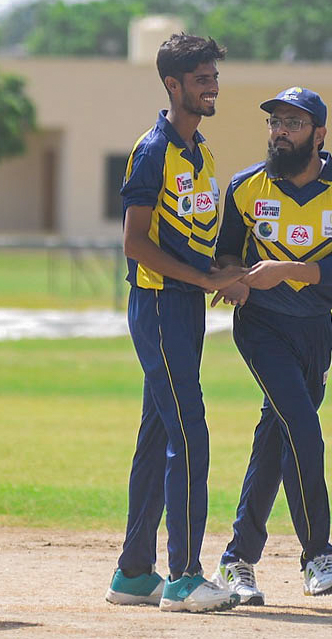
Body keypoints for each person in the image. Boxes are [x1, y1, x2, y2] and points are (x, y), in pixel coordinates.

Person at [208, 87, 332, 605]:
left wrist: (287, 270)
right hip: (262, 326)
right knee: (303, 430)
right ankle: (318, 556)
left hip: (315, 329)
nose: (280, 131)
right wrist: (233, 278)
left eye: (293, 124)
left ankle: (237, 559)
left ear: (319, 134)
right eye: (275, 122)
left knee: (276, 439)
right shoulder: (245, 186)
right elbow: (227, 255)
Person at [105, 34, 243, 614]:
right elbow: (135, 243)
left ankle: (134, 573)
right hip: (159, 305)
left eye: (214, 77)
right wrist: (207, 281)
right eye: (201, 79)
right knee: (189, 433)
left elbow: (193, 237)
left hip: (185, 307)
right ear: (173, 84)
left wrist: (223, 272)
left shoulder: (201, 152)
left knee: (159, 434)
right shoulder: (153, 150)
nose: (212, 87)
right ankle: (185, 578)